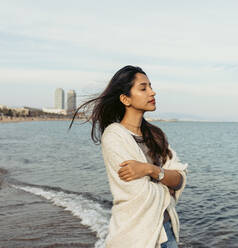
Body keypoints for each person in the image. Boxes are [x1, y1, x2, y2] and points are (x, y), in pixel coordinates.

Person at [69, 65, 188, 248]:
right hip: (134, 237)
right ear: (125, 99)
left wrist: (150, 170)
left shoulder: (156, 135)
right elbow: (138, 193)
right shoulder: (114, 136)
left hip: (168, 232)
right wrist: (166, 181)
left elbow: (180, 178)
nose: (152, 92)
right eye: (143, 88)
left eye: (150, 86)